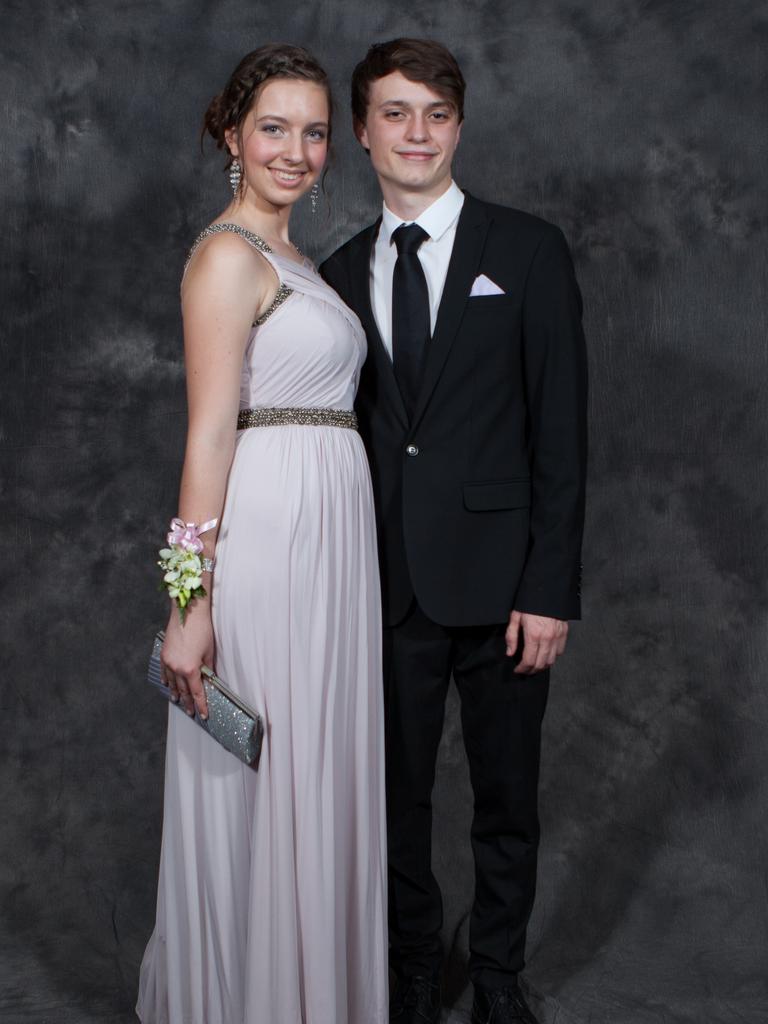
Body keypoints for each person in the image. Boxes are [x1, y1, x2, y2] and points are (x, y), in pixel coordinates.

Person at [320, 38, 587, 1024]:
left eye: (435, 113)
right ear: (363, 132)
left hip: (510, 586)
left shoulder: (526, 249)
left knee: (506, 800)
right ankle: (416, 968)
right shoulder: (338, 274)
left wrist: (550, 586)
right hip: (384, 589)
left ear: (459, 126)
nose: (417, 132)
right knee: (395, 808)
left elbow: (561, 429)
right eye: (395, 113)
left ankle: (503, 977)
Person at [136, 44, 387, 1024]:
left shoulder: (295, 258)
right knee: (269, 777)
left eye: (315, 131)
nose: (297, 149)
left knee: (315, 777)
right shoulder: (226, 256)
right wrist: (186, 603)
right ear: (233, 136)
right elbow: (206, 434)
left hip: (332, 550)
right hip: (273, 545)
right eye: (274, 127)